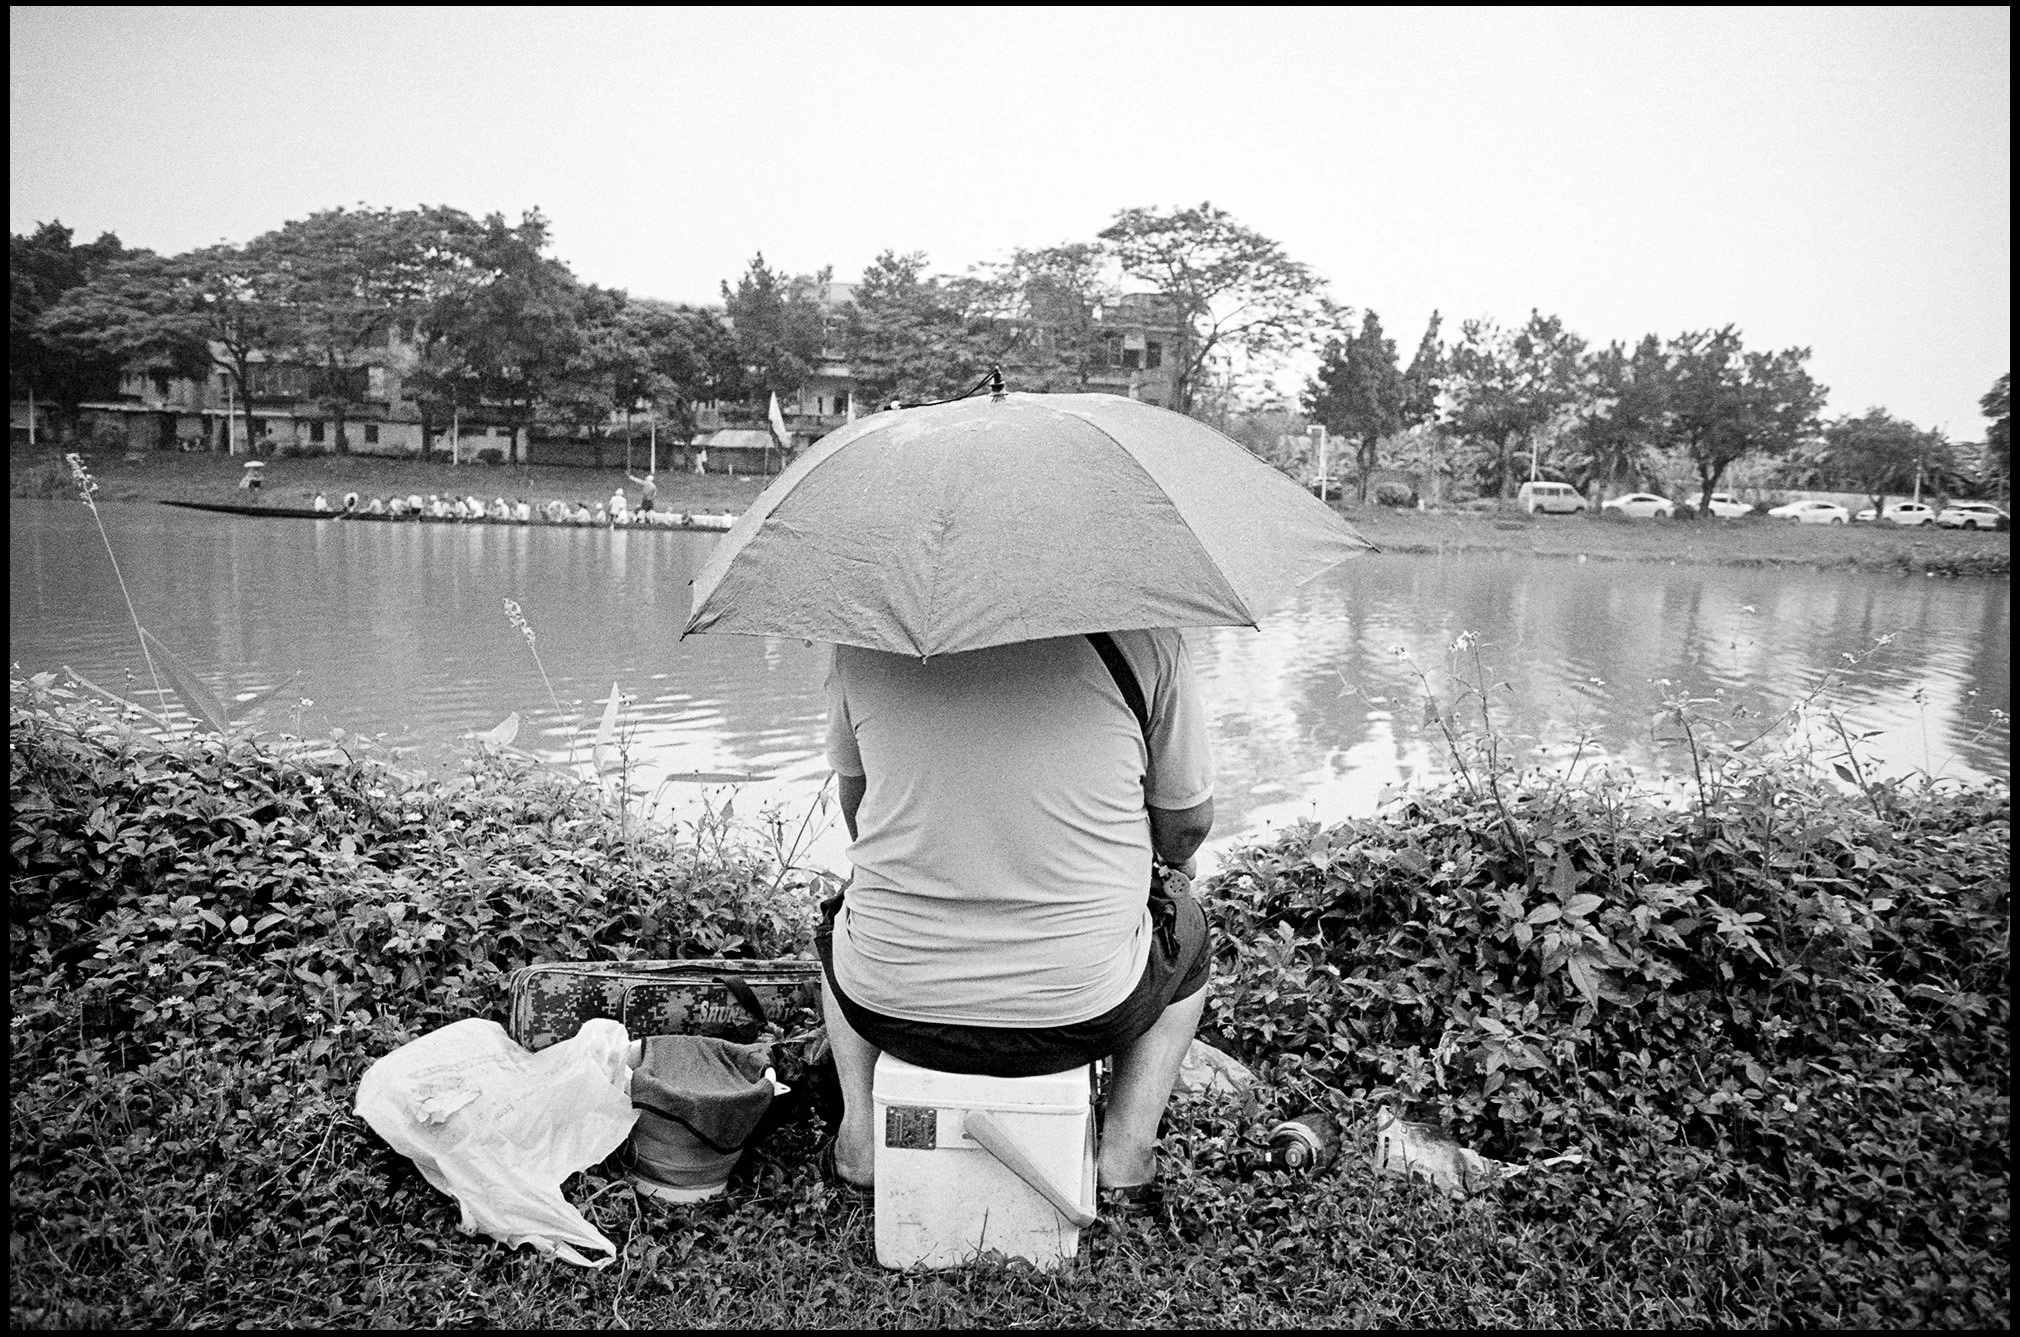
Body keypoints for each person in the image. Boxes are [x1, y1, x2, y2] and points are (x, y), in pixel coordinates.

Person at [817, 629, 1216, 1205]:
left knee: (847, 915)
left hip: (889, 1007)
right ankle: (1127, 1157)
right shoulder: (1144, 641)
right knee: (1189, 930)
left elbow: (859, 813)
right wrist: (1167, 862)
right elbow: (1186, 825)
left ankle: (860, 1140)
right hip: (1083, 1012)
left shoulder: (865, 642)